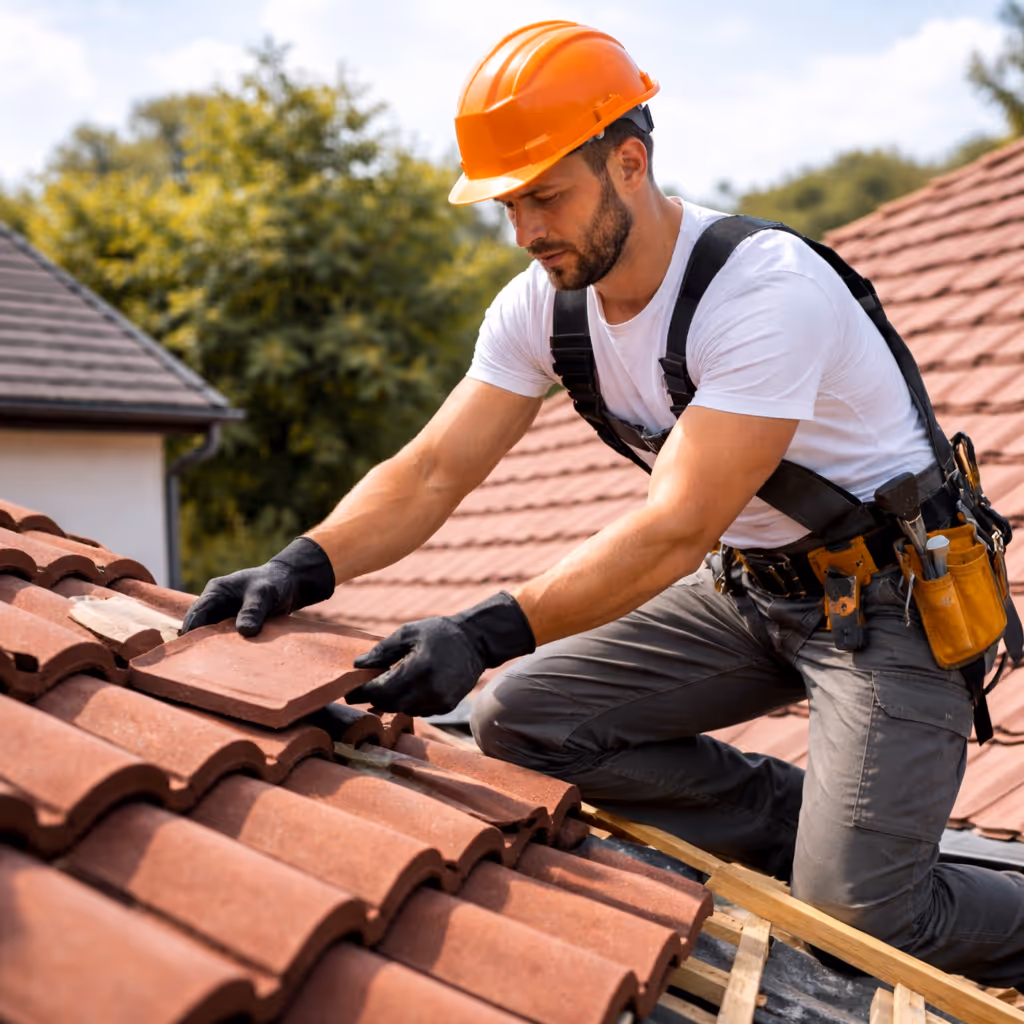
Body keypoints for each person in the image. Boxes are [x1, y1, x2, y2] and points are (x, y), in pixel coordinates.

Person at [183, 21, 1024, 986]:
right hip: (752, 594)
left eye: (547, 195)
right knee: (519, 722)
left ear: (629, 162)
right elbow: (431, 473)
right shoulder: (544, 305)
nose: (527, 229)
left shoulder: (762, 291)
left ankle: (867, 862)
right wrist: (302, 564)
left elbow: (675, 524)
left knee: (861, 924)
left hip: (892, 611)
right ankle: (831, 823)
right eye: (509, 204)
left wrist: (485, 627)